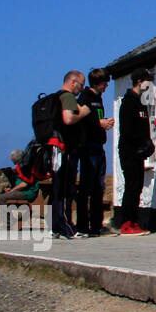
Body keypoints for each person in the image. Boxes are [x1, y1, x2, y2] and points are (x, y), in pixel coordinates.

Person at [75, 67, 115, 236]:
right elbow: (81, 116)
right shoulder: (85, 97)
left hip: (98, 147)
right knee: (86, 187)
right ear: (98, 83)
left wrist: (104, 123)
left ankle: (96, 226)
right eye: (105, 84)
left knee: (99, 187)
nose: (106, 87)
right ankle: (82, 227)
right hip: (88, 147)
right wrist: (99, 123)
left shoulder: (98, 98)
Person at [116, 68, 154, 236]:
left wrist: (148, 144)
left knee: (137, 186)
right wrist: (140, 144)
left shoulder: (140, 102)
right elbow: (127, 130)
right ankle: (126, 223)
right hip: (129, 151)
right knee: (131, 186)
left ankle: (133, 221)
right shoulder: (129, 102)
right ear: (139, 81)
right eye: (147, 80)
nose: (149, 84)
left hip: (138, 152)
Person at [53, 71, 90, 239]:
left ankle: (55, 226)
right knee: (67, 189)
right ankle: (66, 227)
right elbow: (68, 119)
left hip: (55, 148)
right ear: (73, 82)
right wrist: (83, 111)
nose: (81, 89)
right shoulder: (67, 97)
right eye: (81, 85)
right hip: (66, 149)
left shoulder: (55, 97)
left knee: (57, 188)